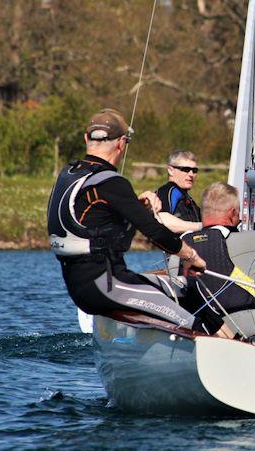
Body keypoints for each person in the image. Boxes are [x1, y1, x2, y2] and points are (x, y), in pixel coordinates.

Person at [47, 108, 217, 333]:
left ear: (86, 138)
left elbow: (105, 229)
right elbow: (154, 232)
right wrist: (191, 256)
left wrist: (137, 209)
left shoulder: (68, 174)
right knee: (195, 319)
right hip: (107, 285)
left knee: (184, 290)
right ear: (121, 144)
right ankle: (241, 351)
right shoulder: (112, 183)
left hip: (81, 287)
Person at [180, 181, 255, 338]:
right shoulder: (254, 240)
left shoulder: (180, 247)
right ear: (233, 213)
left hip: (198, 340)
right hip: (253, 340)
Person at [155, 150, 203, 234]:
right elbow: (163, 219)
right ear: (171, 170)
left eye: (194, 170)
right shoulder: (168, 191)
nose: (191, 174)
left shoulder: (188, 198)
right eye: (186, 169)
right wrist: (202, 226)